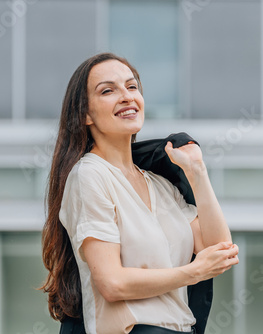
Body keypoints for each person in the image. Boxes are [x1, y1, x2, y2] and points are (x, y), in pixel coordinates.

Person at [40, 52, 239, 334]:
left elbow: (220, 250)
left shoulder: (162, 185)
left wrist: (197, 172)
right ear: (84, 114)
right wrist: (193, 273)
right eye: (108, 90)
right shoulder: (90, 176)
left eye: (131, 87)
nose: (126, 96)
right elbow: (112, 283)